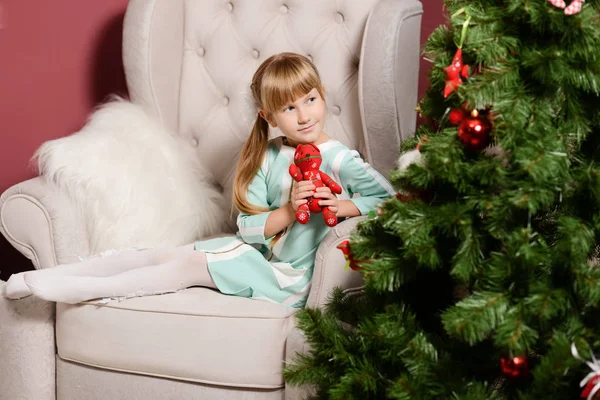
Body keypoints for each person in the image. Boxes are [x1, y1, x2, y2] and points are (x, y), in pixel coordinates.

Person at [4, 52, 395, 308]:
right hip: (257, 255)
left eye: (310, 100)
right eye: (288, 108)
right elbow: (249, 228)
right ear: (268, 116)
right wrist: (290, 210)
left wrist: (341, 206)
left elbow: (389, 200)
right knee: (167, 253)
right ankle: (48, 276)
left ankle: (79, 291)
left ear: (323, 96)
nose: (304, 115)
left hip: (291, 281)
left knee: (184, 267)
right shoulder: (268, 156)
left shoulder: (341, 158)